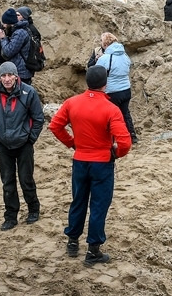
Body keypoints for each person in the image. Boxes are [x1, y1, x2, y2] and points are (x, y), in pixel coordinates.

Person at [49, 65, 132, 265]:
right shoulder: (111, 109)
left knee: (78, 201)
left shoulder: (72, 102)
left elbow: (55, 126)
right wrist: (116, 153)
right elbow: (125, 142)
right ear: (105, 83)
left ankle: (72, 241)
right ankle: (93, 250)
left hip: (80, 160)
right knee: (98, 206)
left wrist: (72, 143)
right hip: (102, 163)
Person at [0, 62, 44, 230]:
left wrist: (30, 138)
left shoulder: (29, 92)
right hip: (3, 145)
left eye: (10, 75)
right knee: (7, 182)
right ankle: (11, 216)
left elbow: (39, 118)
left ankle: (33, 209)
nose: (7, 79)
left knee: (26, 179)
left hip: (24, 144)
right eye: (3, 76)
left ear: (16, 76)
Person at [87, 32, 137, 144]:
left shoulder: (105, 57)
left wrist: (97, 60)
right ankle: (132, 136)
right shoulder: (124, 55)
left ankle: (113, 139)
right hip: (126, 89)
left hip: (112, 91)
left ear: (105, 44)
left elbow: (96, 73)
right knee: (125, 113)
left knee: (111, 116)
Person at [0, 8, 33, 84]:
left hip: (22, 73)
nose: (3, 26)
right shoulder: (16, 31)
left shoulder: (19, 33)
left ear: (8, 23)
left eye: (4, 23)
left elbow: (8, 51)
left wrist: (3, 38)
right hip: (18, 71)